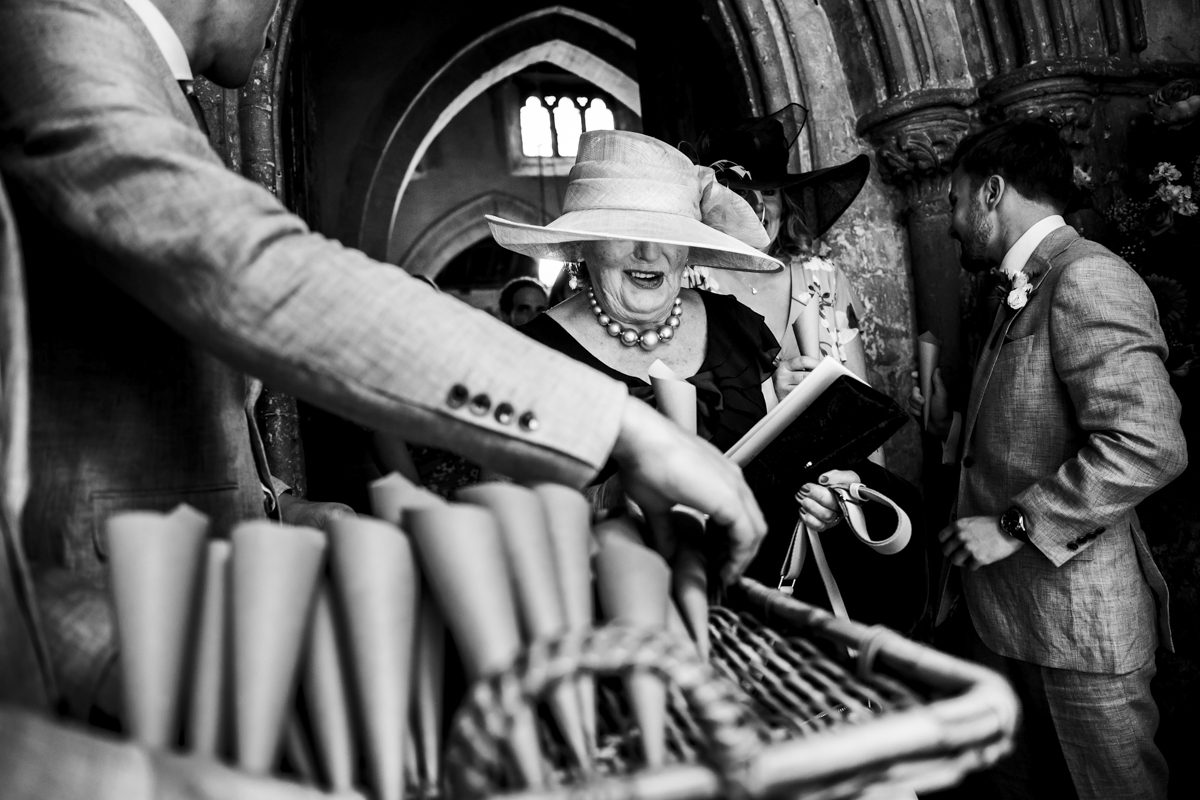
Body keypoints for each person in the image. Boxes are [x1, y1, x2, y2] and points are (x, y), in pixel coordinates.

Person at [0, 0, 766, 792]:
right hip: (98, 647)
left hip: (195, 622)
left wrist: (279, 516)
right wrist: (616, 429)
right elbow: (247, 271)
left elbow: (111, 398)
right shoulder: (53, 23)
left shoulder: (146, 75)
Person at [489, 129, 923, 631]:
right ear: (583, 242)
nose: (650, 252)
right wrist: (606, 500)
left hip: (767, 634)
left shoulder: (737, 327)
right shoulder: (531, 357)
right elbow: (497, 521)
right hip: (623, 642)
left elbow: (775, 467)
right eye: (623, 229)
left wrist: (823, 496)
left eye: (669, 233)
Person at [922, 120, 1187, 800]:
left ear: (992, 192)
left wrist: (1012, 526)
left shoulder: (1088, 278)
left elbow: (1147, 445)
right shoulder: (1021, 286)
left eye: (953, 201)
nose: (950, 223)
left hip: (1079, 628)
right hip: (1009, 624)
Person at [685, 104, 872, 403]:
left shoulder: (825, 277)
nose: (758, 206)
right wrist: (770, 394)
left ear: (785, 203)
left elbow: (863, 403)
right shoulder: (689, 283)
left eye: (769, 192)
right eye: (742, 193)